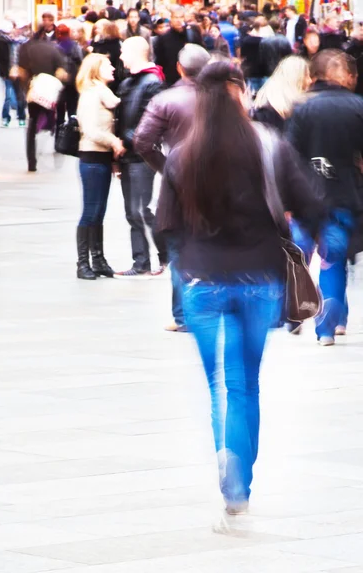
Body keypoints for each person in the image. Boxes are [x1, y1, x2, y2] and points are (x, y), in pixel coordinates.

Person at [156, 60, 323, 524]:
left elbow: (164, 225)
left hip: (202, 282)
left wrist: (186, 258)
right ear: (241, 92)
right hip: (258, 281)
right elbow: (310, 205)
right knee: (245, 383)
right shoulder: (271, 148)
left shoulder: (182, 153)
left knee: (218, 386)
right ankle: (239, 480)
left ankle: (229, 472)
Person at [287, 50, 363, 345]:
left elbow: (289, 157)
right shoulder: (357, 107)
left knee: (300, 255)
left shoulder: (302, 109)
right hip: (342, 196)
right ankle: (328, 329)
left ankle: (295, 311)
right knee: (333, 260)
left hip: (306, 198)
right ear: (342, 75)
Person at [134, 44, 210, 331]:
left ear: (180, 68)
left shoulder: (166, 99)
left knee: (179, 249)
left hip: (178, 184)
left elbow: (142, 141)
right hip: (219, 181)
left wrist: (167, 168)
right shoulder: (225, 99)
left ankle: (183, 316)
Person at [115, 36, 167, 277]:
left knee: (141, 209)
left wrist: (125, 141)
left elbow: (150, 123)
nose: (121, 56)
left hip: (141, 156)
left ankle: (165, 256)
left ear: (136, 53)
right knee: (132, 211)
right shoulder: (129, 83)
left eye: (124, 51)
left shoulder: (152, 82)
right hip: (128, 155)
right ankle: (141, 262)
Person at [75, 54, 124, 280]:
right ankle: (83, 263)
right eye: (108, 65)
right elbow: (91, 130)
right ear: (96, 69)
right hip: (92, 158)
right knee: (91, 211)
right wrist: (114, 142)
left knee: (99, 212)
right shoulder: (91, 95)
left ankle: (99, 259)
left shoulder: (105, 95)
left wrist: (113, 161)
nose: (113, 68)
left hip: (102, 159)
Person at [18, 34, 67, 172]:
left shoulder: (26, 48)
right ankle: (55, 139)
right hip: (50, 90)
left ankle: (31, 161)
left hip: (34, 89)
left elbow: (21, 72)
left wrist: (25, 88)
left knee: (32, 123)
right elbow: (61, 73)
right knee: (55, 117)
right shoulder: (54, 49)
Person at [254, 55, 310, 132]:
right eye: (306, 75)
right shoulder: (269, 111)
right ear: (295, 78)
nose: (310, 80)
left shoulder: (265, 106)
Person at [154, 6, 203, 87]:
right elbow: (159, 62)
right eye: (175, 17)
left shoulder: (193, 35)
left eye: (181, 17)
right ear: (171, 19)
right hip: (171, 82)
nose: (178, 20)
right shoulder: (163, 38)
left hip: (191, 81)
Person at [0, 21, 27, 128]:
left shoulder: (24, 42)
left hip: (20, 72)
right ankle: (5, 117)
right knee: (8, 95)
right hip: (7, 72)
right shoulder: (4, 41)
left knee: (20, 96)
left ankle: (21, 117)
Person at [55, 24, 83, 136]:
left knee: (60, 110)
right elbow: (80, 61)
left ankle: (59, 134)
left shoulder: (56, 46)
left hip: (60, 82)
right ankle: (71, 134)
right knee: (72, 109)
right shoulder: (74, 46)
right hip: (72, 81)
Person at [90, 19, 123, 93]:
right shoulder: (96, 40)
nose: (96, 30)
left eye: (99, 28)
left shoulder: (114, 43)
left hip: (112, 74)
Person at [240, 22, 264, 96]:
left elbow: (243, 55)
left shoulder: (246, 40)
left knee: (252, 91)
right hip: (262, 68)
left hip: (250, 68)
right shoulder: (263, 40)